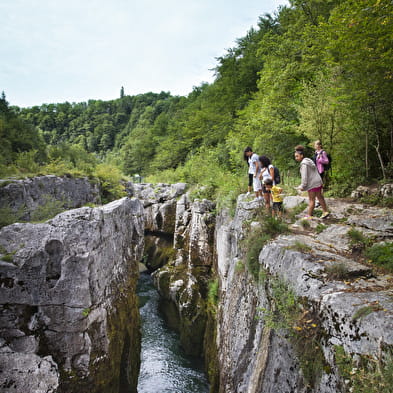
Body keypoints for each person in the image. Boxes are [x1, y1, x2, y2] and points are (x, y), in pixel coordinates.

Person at [294, 145, 330, 219]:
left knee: (311, 200)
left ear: (302, 155)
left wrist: (302, 186)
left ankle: (309, 215)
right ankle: (325, 211)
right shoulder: (309, 160)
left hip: (312, 184)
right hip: (318, 181)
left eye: (297, 156)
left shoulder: (304, 164)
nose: (296, 158)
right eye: (295, 156)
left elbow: (304, 177)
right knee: (320, 197)